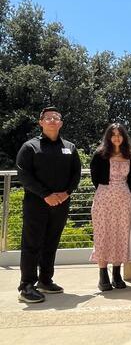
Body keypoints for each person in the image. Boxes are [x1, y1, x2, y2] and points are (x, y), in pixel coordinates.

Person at [15, 106, 81, 303]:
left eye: (56, 118)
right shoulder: (30, 147)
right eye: (48, 118)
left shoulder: (70, 147)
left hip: (61, 203)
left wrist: (66, 193)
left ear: (61, 123)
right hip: (36, 203)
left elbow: (76, 174)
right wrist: (46, 195)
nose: (52, 120)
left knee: (51, 243)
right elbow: (24, 175)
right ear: (41, 122)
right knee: (32, 244)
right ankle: (26, 285)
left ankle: (45, 280)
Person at [90, 123, 131, 291]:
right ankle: (103, 275)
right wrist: (109, 191)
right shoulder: (100, 155)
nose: (116, 137)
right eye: (113, 134)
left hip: (124, 199)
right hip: (104, 199)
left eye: (119, 134)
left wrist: (127, 194)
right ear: (108, 137)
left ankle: (117, 274)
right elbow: (95, 178)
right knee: (103, 234)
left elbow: (130, 179)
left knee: (121, 235)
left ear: (124, 137)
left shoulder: (129, 156)